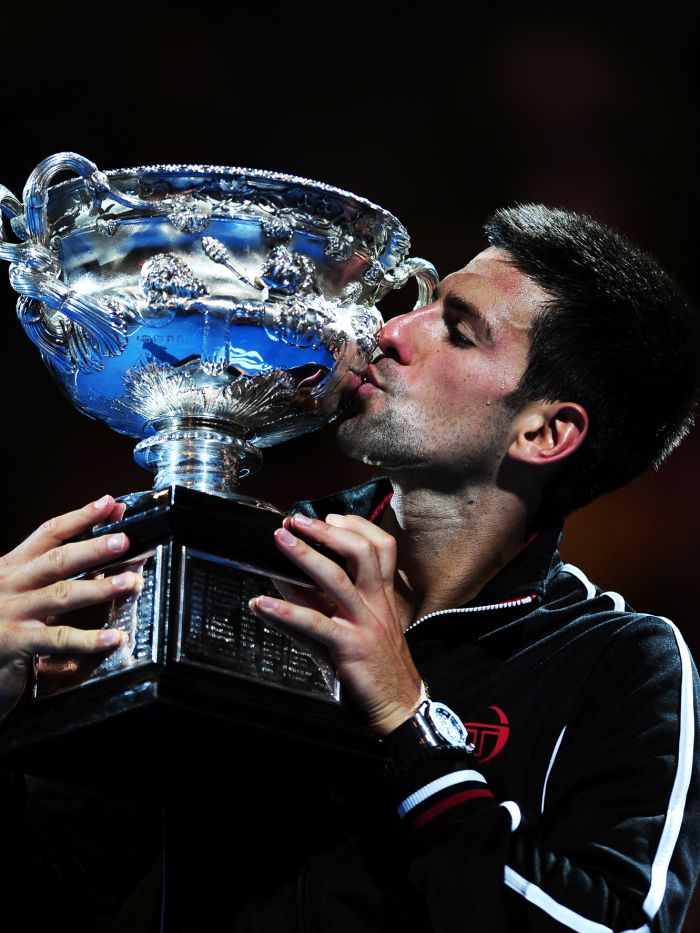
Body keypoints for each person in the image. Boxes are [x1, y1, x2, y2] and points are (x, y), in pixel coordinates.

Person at [0, 204, 699, 931]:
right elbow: (50, 893)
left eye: (456, 330)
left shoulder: (618, 662)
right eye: (419, 306)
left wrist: (410, 723)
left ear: (546, 430)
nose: (390, 331)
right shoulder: (251, 572)